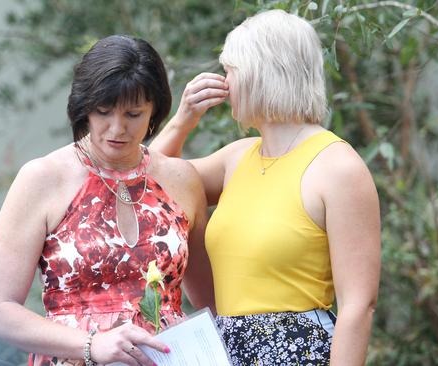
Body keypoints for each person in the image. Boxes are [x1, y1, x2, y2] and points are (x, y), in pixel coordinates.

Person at [151, 9, 381, 365]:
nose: (224, 84)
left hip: (299, 353)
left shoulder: (337, 167)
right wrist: (183, 121)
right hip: (226, 350)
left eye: (231, 71)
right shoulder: (237, 157)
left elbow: (358, 306)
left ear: (262, 72)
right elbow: (149, 179)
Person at [0, 35, 213, 366]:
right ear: (84, 108)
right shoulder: (42, 178)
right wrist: (92, 344)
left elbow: (212, 303)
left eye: (133, 114)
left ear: (155, 111)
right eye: (103, 112)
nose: (117, 128)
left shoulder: (181, 178)